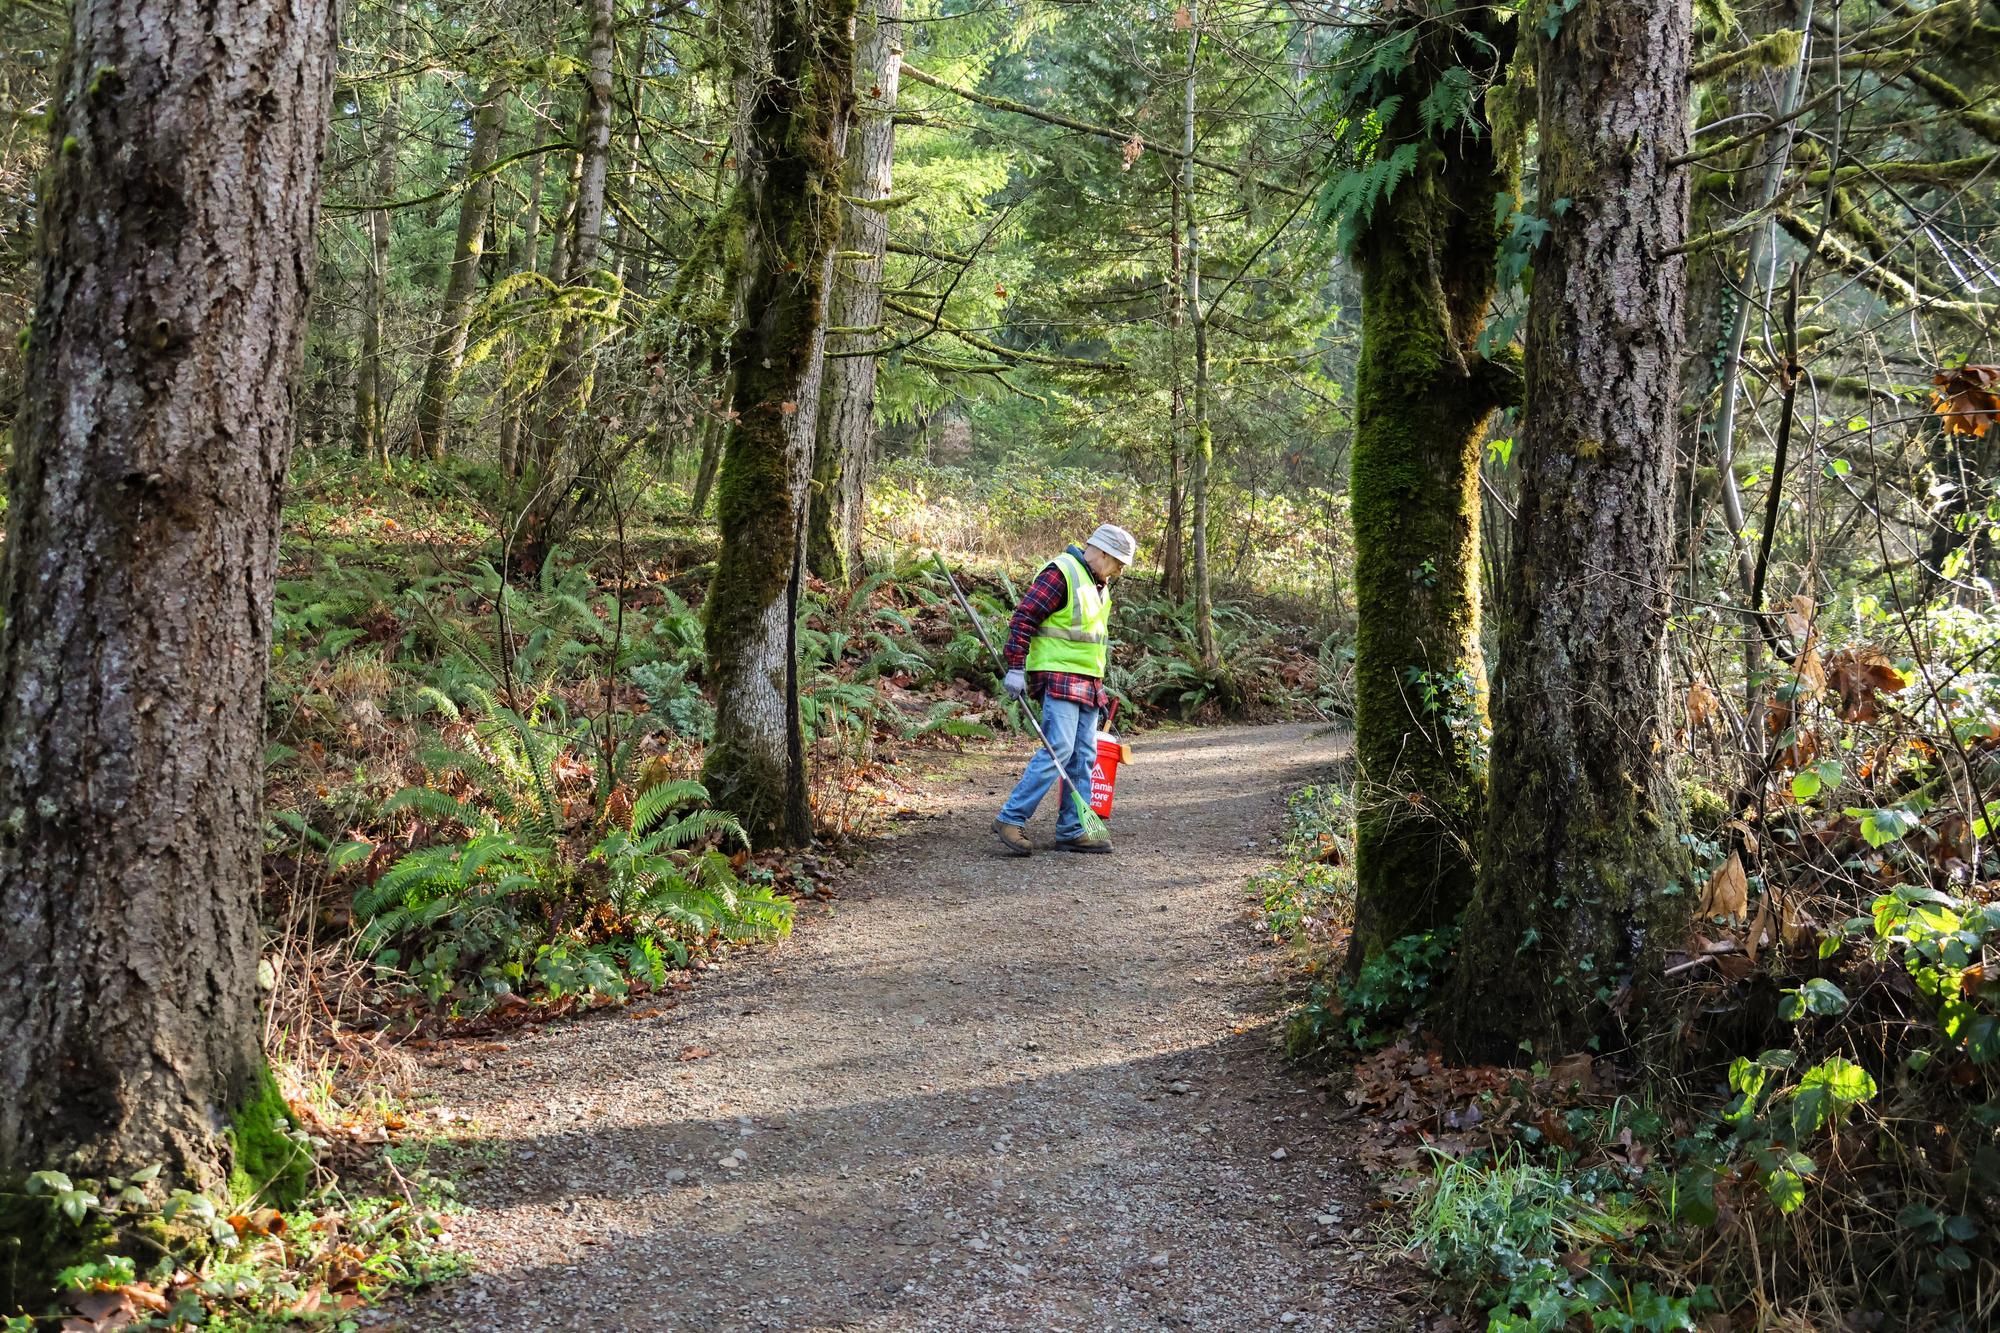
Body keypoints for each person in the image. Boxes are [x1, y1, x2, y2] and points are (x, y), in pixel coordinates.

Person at [991, 523, 1137, 856]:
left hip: (1087, 681)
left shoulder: (1097, 583)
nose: (1120, 570)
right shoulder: (1062, 573)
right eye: (1117, 562)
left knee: (1085, 755)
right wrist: (1016, 665)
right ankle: (1011, 818)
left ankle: (1073, 828)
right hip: (1058, 677)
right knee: (1057, 750)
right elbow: (1025, 617)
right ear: (1099, 551)